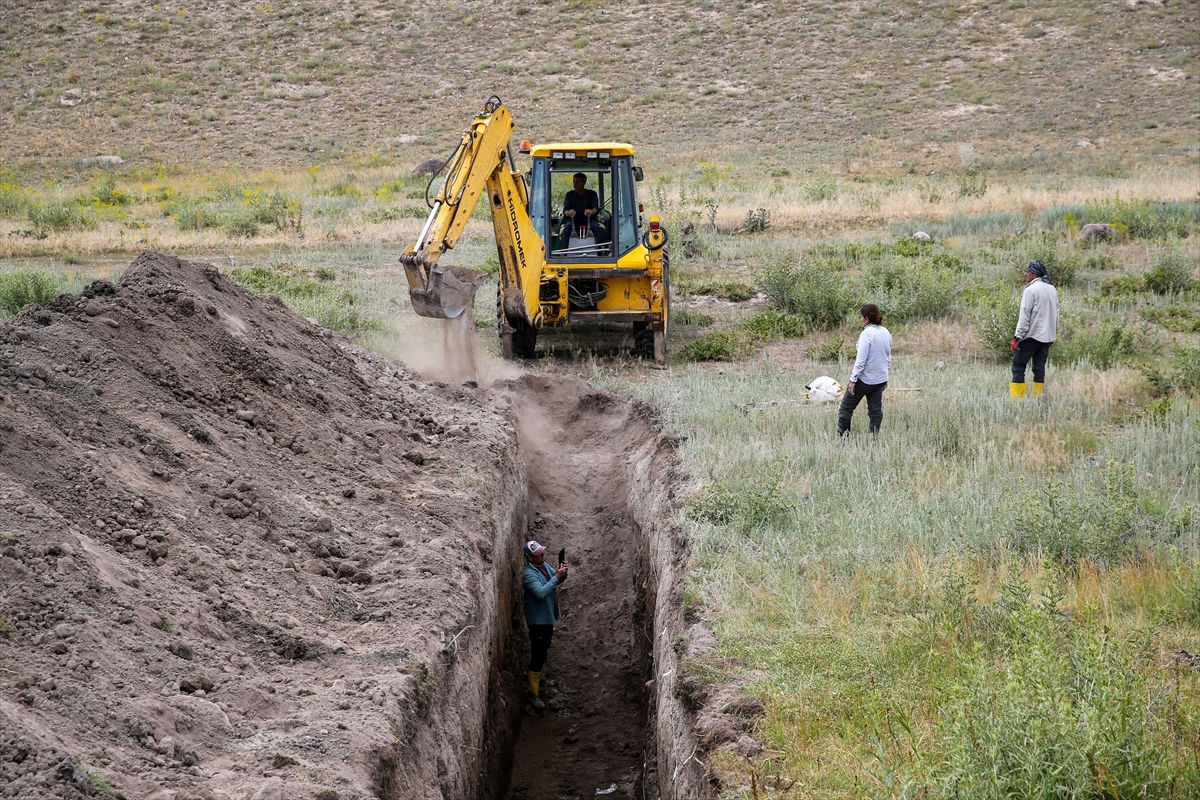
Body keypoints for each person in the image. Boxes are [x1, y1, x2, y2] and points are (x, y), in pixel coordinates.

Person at [522, 540, 568, 709]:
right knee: (538, 654)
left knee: (544, 649)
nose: (542, 555)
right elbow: (541, 592)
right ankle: (532, 693)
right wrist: (556, 577)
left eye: (542, 552)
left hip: (546, 617)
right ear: (530, 558)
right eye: (539, 554)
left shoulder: (544, 567)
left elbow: (556, 581)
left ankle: (541, 680)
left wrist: (562, 574)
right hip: (538, 621)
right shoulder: (529, 575)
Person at [838, 304, 892, 436]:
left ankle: (843, 441)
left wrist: (853, 380)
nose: (861, 319)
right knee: (875, 412)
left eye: (862, 317)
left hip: (865, 379)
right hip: (880, 379)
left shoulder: (866, 334)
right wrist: (885, 377)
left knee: (846, 409)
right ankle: (873, 440)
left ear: (866, 319)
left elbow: (860, 361)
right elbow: (888, 356)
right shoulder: (885, 332)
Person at [1010, 259, 1059, 400]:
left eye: (1028, 271)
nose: (1025, 274)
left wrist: (1017, 337)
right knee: (1039, 368)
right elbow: (1056, 314)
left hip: (1031, 336)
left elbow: (1024, 316)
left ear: (1034, 274)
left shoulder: (1030, 290)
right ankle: (1037, 398)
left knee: (1018, 366)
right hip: (1047, 337)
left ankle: (1017, 401)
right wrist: (1053, 333)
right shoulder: (1052, 289)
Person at [561, 173, 599, 244]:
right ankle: (564, 252)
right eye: (574, 182)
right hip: (573, 220)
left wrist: (591, 211)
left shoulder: (592, 194)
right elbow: (565, 210)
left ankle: (599, 251)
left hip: (588, 220)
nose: (574, 185)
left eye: (577, 182)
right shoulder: (569, 195)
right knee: (568, 227)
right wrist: (569, 212)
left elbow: (596, 208)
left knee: (595, 227)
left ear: (584, 183)